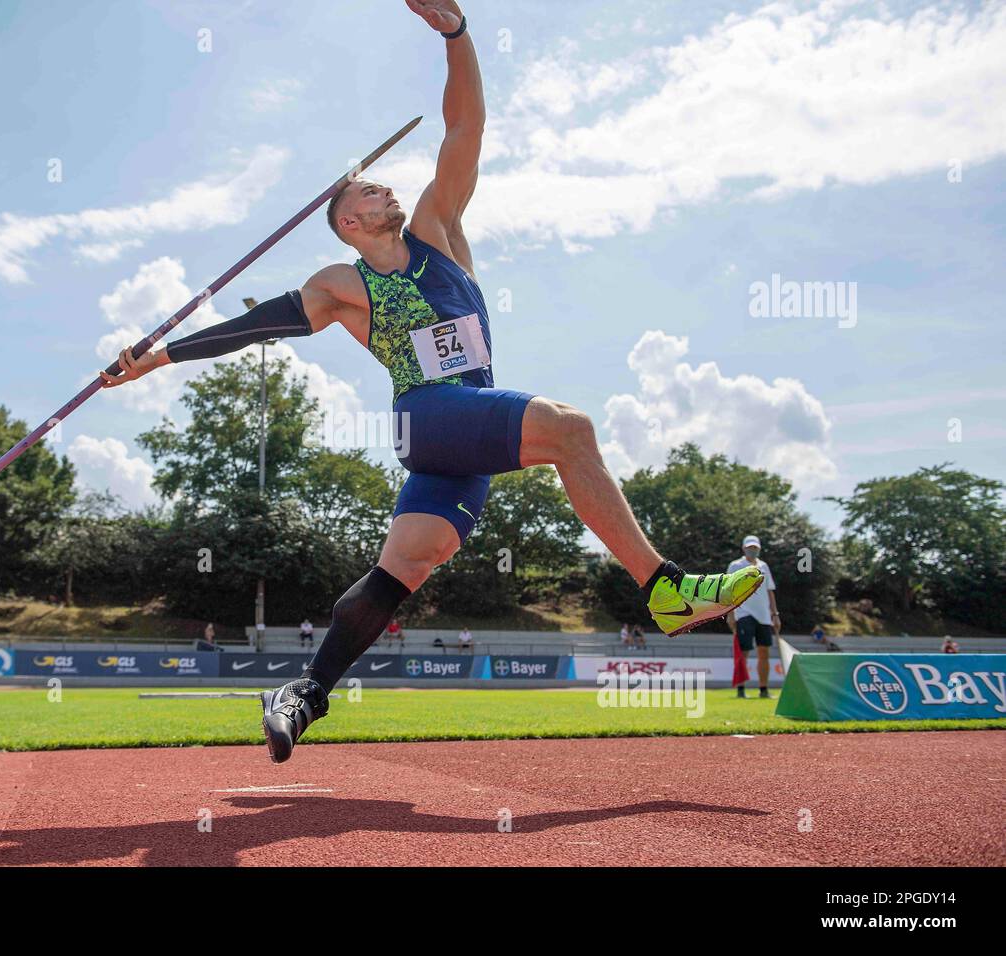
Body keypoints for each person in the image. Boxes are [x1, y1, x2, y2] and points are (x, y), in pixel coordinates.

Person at [99, 0, 763, 763]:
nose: (385, 193)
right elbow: (255, 327)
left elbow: (464, 129)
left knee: (410, 561)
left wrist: (457, 34)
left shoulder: (438, 227)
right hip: (426, 411)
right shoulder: (341, 282)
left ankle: (304, 694)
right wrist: (158, 356)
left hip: (466, 428)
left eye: (383, 188)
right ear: (347, 221)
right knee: (571, 429)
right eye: (368, 193)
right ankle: (665, 589)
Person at [726, 535, 779, 699]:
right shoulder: (736, 565)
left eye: (755, 548)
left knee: (764, 652)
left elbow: (770, 590)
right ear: (744, 548)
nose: (752, 550)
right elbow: (727, 590)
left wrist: (775, 614)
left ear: (759, 549)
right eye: (750, 547)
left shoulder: (764, 566)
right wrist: (730, 614)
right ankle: (740, 689)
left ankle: (763, 690)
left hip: (764, 616)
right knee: (744, 652)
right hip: (743, 613)